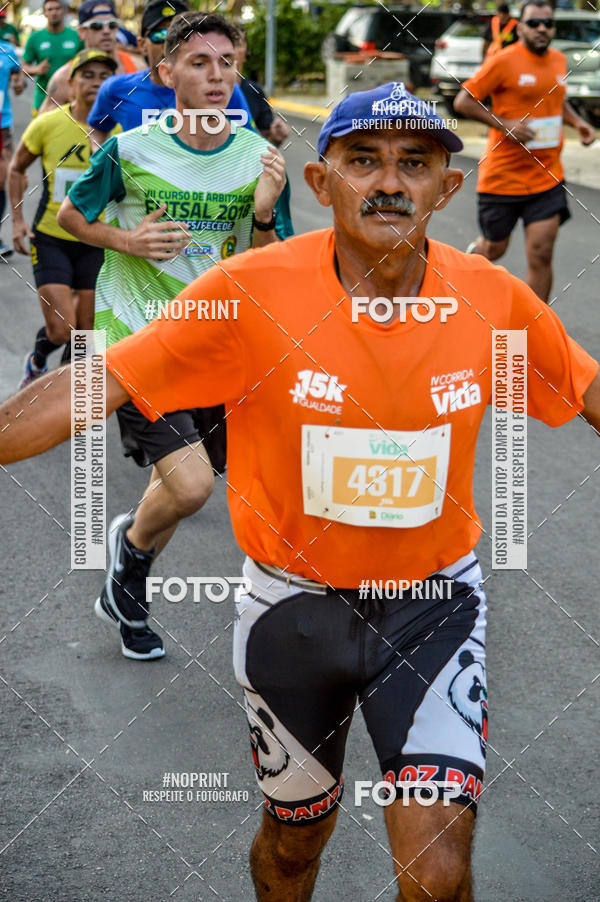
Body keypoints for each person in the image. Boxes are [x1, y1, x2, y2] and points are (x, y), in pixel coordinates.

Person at [2, 81, 599, 900]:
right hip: (291, 613)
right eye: (363, 161)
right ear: (321, 184)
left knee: (440, 872)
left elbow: (590, 392)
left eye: (414, 164)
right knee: (292, 848)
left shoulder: (493, 300)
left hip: (434, 609)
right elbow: (98, 382)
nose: (389, 183)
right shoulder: (252, 291)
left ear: (446, 188)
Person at [56, 12, 285, 661]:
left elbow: (271, 259)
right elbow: (72, 213)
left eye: (226, 62)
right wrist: (125, 239)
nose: (216, 75)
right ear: (167, 73)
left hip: (217, 347)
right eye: (199, 62)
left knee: (201, 476)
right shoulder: (132, 149)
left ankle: (128, 545)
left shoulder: (257, 161)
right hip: (137, 336)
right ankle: (130, 579)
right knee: (189, 487)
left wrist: (265, 209)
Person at [454, 0, 595, 302]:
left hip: (547, 176)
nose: (542, 28)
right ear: (520, 28)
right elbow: (463, 101)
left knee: (541, 253)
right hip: (502, 178)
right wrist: (504, 125)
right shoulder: (503, 61)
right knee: (495, 248)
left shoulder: (558, 60)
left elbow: (558, 99)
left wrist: (578, 122)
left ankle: (534, 327)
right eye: (534, 23)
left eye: (548, 23)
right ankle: (470, 262)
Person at [8, 50, 117, 387]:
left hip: (96, 241)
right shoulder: (48, 123)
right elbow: (16, 169)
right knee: (62, 327)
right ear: (71, 83)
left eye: (104, 76)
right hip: (51, 236)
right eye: (88, 75)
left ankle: (64, 395)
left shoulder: (122, 130)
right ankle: (38, 359)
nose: (96, 83)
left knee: (85, 334)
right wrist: (16, 221)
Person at [86, 0, 252, 148]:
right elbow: (96, 129)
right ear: (142, 44)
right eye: (160, 35)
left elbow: (248, 146)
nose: (169, 44)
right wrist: (105, 163)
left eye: (182, 37)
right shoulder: (116, 88)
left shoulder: (219, 89)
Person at [38, 0, 140, 115]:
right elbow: (43, 125)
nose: (106, 31)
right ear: (81, 32)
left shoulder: (138, 67)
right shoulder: (64, 77)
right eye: (96, 26)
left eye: (112, 25)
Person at [22, 0, 82, 113]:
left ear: (64, 11)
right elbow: (24, 67)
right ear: (45, 13)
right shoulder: (35, 38)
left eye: (57, 9)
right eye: (50, 9)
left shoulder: (76, 36)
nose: (54, 12)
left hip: (71, 100)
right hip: (43, 101)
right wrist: (36, 69)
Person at [0, 34, 24, 258]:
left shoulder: (7, 50)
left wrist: (19, 83)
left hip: (2, 122)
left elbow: (19, 78)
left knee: (1, 179)